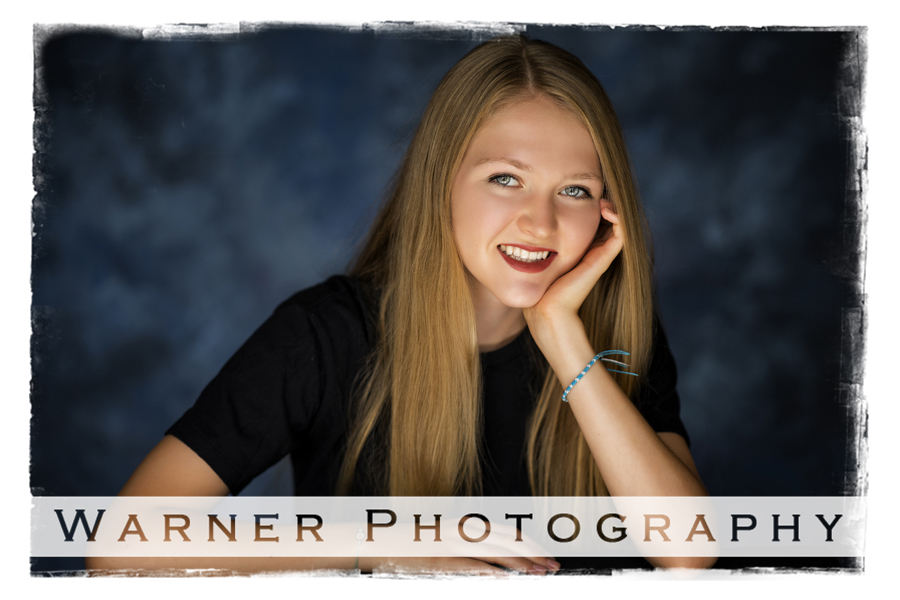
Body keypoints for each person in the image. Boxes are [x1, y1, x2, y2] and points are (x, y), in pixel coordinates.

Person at [87, 34, 713, 575]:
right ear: (440, 181)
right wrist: (381, 542)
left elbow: (688, 551)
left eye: (575, 190)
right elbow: (119, 549)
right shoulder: (323, 336)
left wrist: (562, 336)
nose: (541, 223)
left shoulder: (616, 334)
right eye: (506, 178)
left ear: (607, 209)